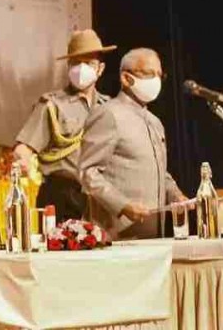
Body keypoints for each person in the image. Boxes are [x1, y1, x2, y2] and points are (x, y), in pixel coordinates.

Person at [79, 48, 186, 239]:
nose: (156, 81)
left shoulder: (155, 122)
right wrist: (122, 205)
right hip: (116, 236)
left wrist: (176, 195)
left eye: (159, 75)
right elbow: (88, 173)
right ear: (126, 79)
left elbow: (159, 170)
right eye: (149, 74)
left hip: (154, 234)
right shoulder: (108, 114)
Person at [12, 29, 114, 220]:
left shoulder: (109, 107)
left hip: (99, 198)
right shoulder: (52, 105)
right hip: (61, 195)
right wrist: (22, 160)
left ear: (100, 69)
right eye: (76, 63)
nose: (82, 68)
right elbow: (24, 147)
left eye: (89, 63)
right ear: (68, 67)